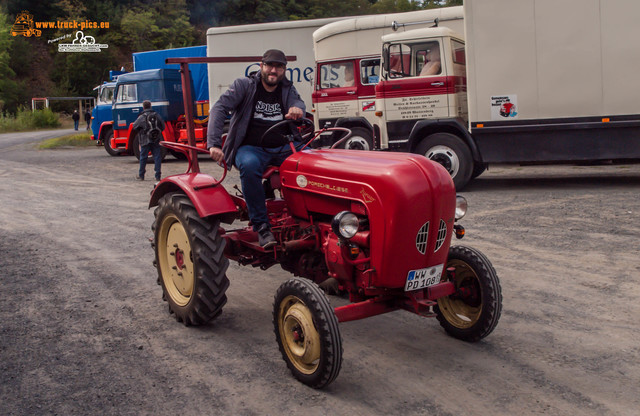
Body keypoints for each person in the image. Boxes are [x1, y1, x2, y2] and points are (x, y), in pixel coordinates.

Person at [207, 49, 305, 248]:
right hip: (251, 147)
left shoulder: (287, 88)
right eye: (270, 65)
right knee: (250, 166)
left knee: (311, 161)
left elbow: (298, 102)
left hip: (281, 147)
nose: (273, 70)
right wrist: (214, 144)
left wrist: (297, 109)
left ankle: (306, 217)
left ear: (284, 70)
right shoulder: (244, 86)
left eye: (279, 67)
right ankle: (261, 226)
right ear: (261, 66)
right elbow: (219, 108)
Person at [132, 100, 165, 181]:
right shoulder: (156, 115)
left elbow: (134, 126)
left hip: (144, 140)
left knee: (143, 157)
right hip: (155, 139)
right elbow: (163, 126)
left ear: (143, 107)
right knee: (157, 157)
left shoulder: (142, 117)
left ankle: (141, 175)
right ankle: (158, 176)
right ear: (150, 106)